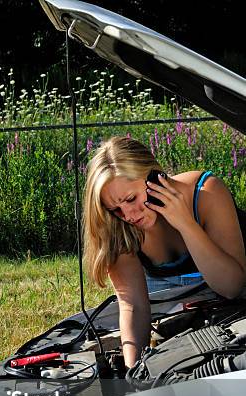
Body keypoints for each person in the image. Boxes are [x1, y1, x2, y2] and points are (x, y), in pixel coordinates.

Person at [83, 135, 246, 368]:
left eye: (131, 199)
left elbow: (231, 287)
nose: (129, 215)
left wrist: (185, 224)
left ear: (155, 176)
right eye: (116, 209)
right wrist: (133, 372)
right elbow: (133, 306)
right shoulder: (117, 225)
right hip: (178, 309)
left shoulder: (206, 193)